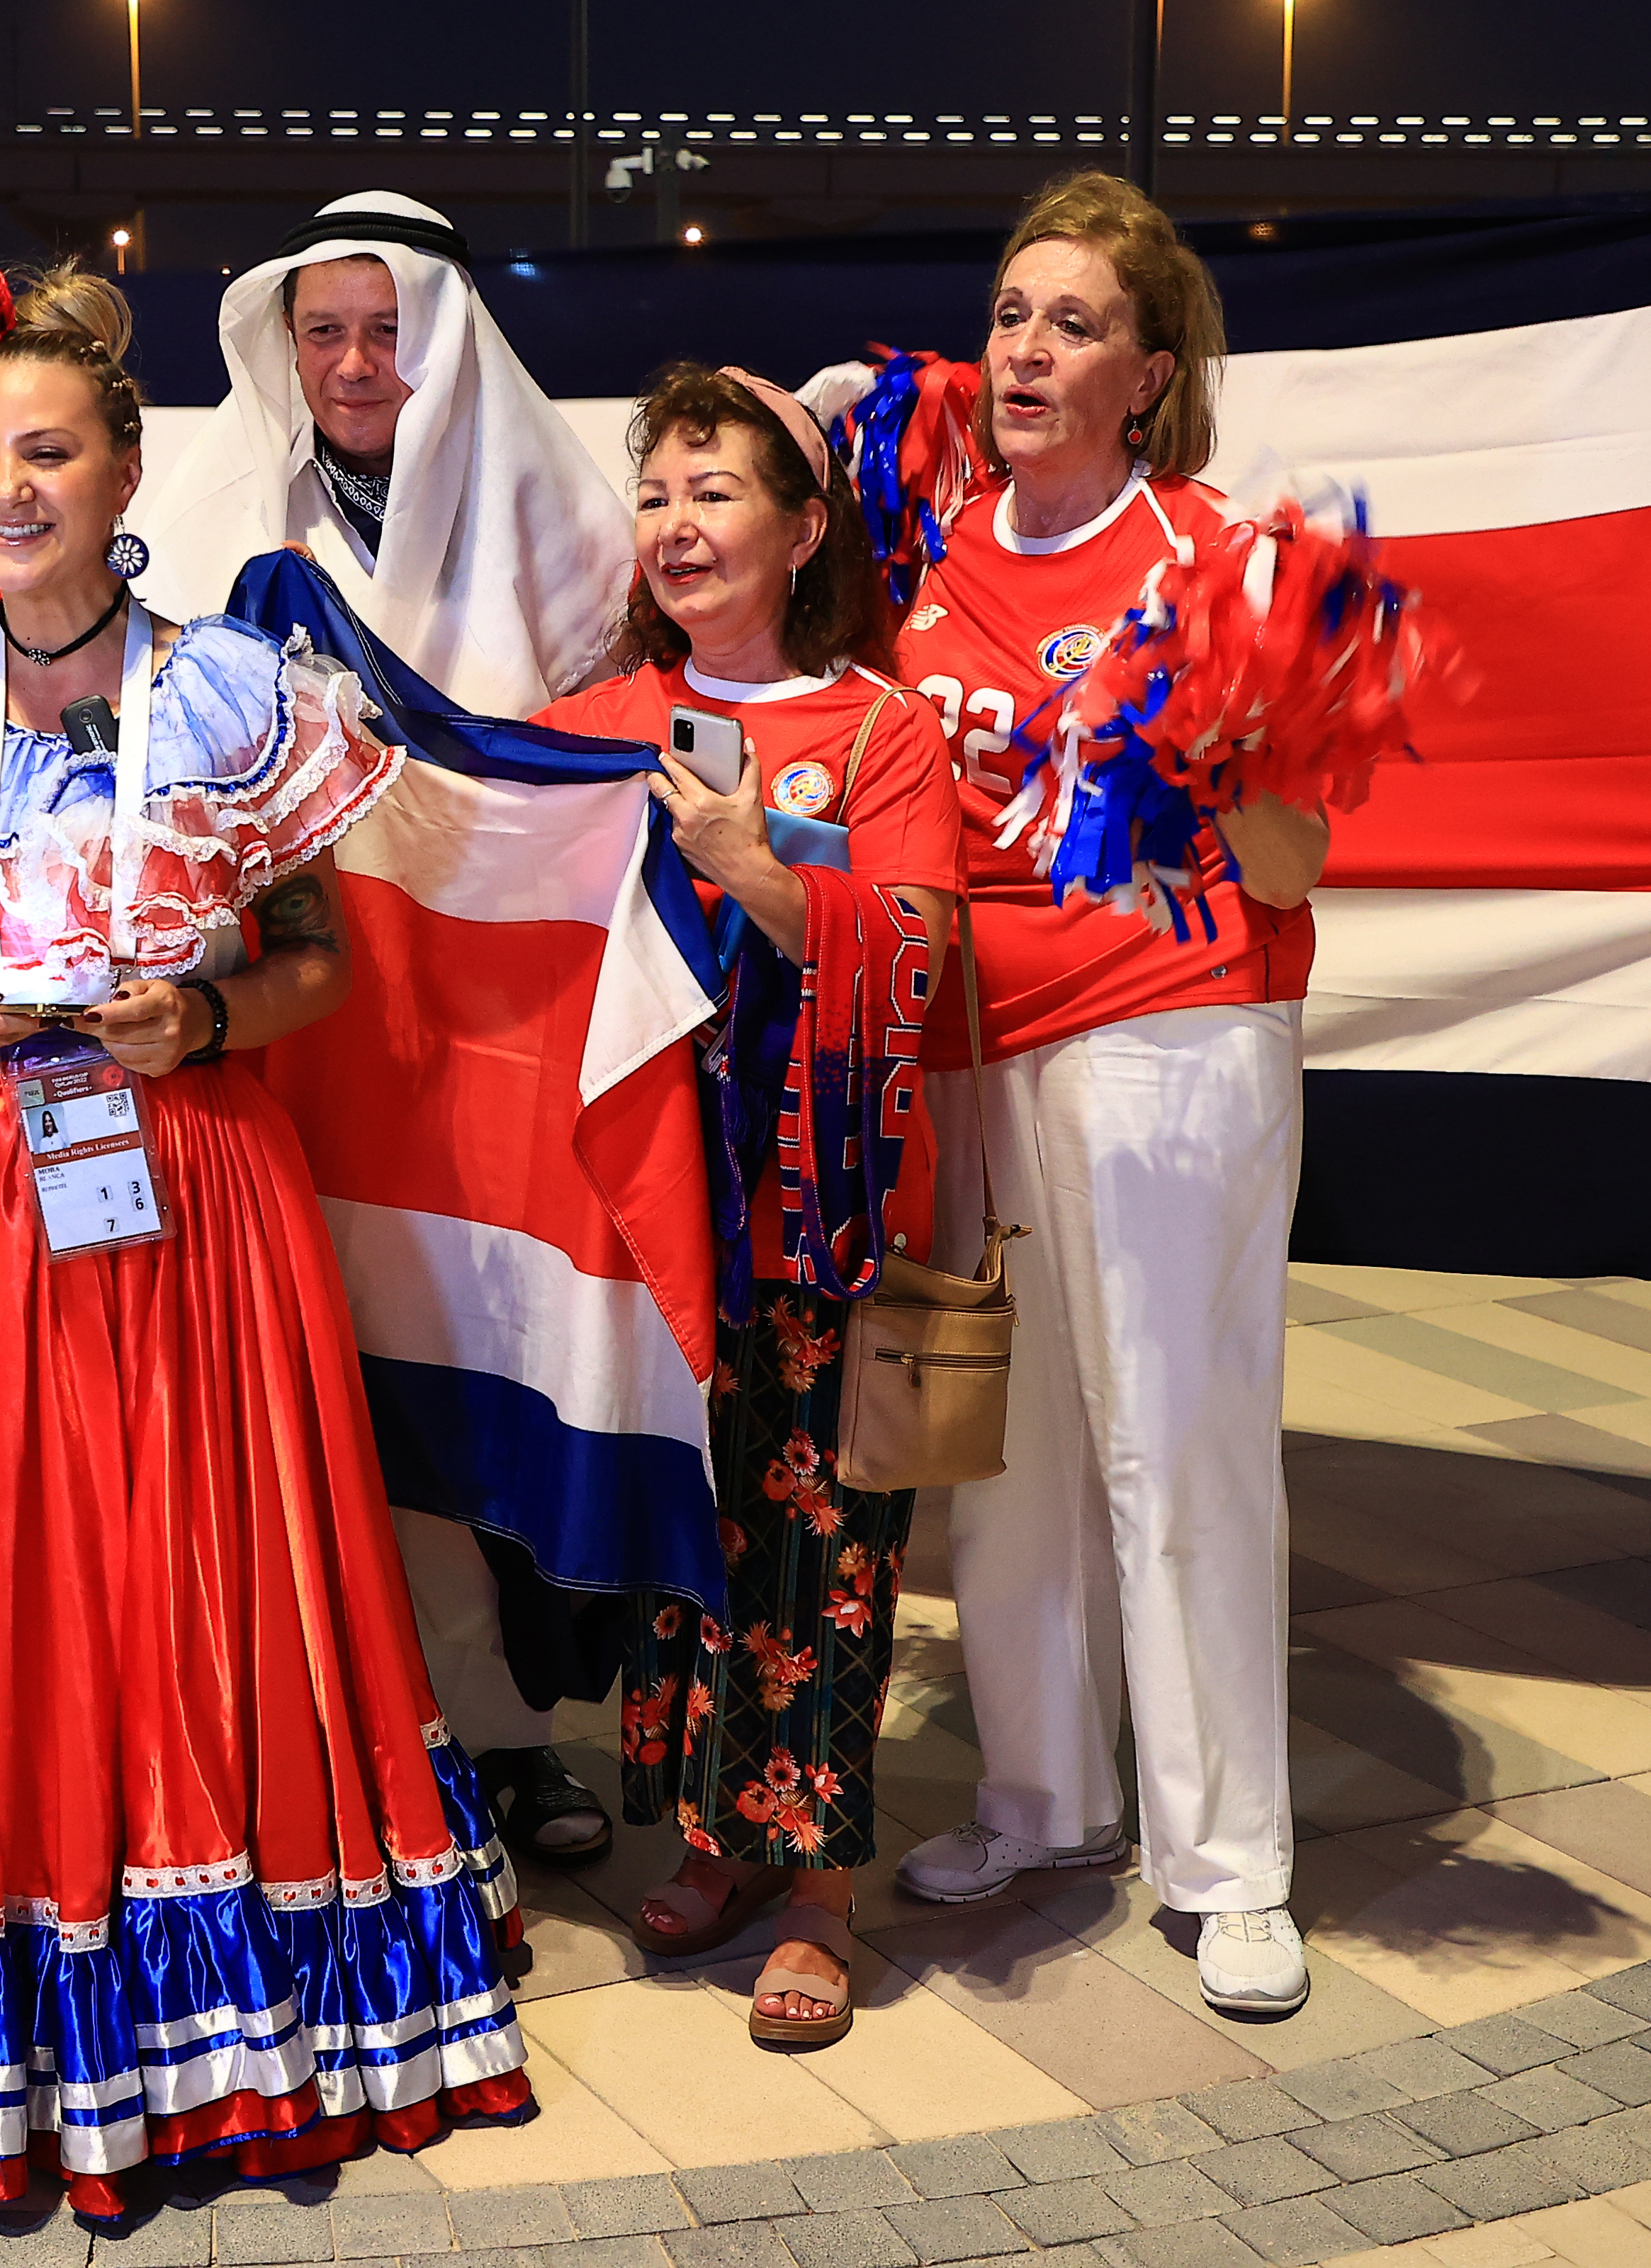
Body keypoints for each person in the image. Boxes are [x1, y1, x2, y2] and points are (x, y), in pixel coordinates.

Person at [0, 256, 529, 2215]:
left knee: (181, 1552)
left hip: (190, 1186)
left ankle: (206, 1992)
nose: (4, 485)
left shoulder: (244, 694)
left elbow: (314, 963)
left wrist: (208, 1016)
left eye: (43, 449)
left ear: (122, 460)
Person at [137, 191, 641, 1867]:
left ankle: (505, 1732)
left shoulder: (554, 510)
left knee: (472, 1355)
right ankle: (337, 1723)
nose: (355, 365)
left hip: (478, 1029)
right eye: (324, 331)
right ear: (284, 343)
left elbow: (604, 753)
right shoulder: (210, 502)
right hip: (277, 1020)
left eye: (386, 330)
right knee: (304, 1379)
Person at [884, 172, 1331, 2021]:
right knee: (1004, 1453)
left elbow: (1294, 857)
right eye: (1008, 315)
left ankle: (1229, 1856)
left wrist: (1191, 744)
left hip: (1170, 1030)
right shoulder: (921, 547)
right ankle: (1043, 1796)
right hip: (975, 1050)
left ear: (1145, 373)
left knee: (1174, 1437)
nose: (1027, 349)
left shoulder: (1225, 558)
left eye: (1072, 324)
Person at [535, 365, 964, 2048]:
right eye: (654, 493)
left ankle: (819, 1891)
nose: (675, 524)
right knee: (683, 1555)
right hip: (647, 1232)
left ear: (800, 529)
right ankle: (712, 1837)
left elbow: (922, 960)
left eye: (714, 492)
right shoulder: (590, 725)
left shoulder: (881, 728)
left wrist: (763, 871)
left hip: (810, 1219)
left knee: (822, 1552)